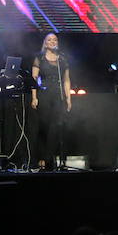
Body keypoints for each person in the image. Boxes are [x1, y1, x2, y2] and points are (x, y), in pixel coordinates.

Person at [31, 33, 72, 170]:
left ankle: (52, 158)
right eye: (49, 39)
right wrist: (34, 97)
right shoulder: (40, 58)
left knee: (56, 127)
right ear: (45, 42)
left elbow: (66, 80)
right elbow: (34, 78)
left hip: (58, 95)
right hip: (44, 94)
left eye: (55, 39)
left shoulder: (62, 59)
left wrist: (68, 98)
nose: (52, 41)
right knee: (44, 126)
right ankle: (41, 158)